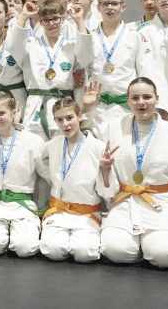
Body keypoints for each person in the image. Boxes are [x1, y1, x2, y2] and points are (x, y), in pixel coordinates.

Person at [97, 78, 168, 268]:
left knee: (164, 255)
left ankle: (149, 244)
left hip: (163, 202)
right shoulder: (115, 128)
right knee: (115, 250)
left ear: (157, 99)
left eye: (147, 97)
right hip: (126, 201)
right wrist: (105, 168)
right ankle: (138, 246)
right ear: (127, 101)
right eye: (135, 98)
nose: (141, 102)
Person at [0, 92, 47, 257]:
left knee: (25, 248)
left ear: (14, 112)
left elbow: (46, 174)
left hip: (22, 204)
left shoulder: (33, 141)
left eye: (1, 113)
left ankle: (18, 232)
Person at [6, 0, 92, 139]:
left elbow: (86, 57)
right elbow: (12, 45)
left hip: (63, 106)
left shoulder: (71, 45)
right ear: (40, 22)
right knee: (35, 148)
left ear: (63, 19)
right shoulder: (30, 44)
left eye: (55, 18)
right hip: (36, 106)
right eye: (46, 20)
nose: (51, 23)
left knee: (61, 148)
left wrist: (79, 20)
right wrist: (24, 16)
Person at [85, 0, 167, 124]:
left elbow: (145, 72)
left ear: (123, 7)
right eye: (105, 4)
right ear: (98, 7)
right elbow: (84, 71)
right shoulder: (90, 38)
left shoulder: (135, 37)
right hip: (96, 106)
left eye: (114, 3)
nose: (109, 8)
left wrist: (144, 102)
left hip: (126, 107)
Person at [38, 97, 107, 263]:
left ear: (80, 116)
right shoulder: (52, 145)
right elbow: (42, 165)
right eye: (59, 120)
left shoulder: (98, 147)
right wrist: (56, 182)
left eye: (69, 118)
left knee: (85, 253)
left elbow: (106, 188)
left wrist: (106, 170)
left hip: (86, 213)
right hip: (59, 210)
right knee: (52, 251)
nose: (65, 124)